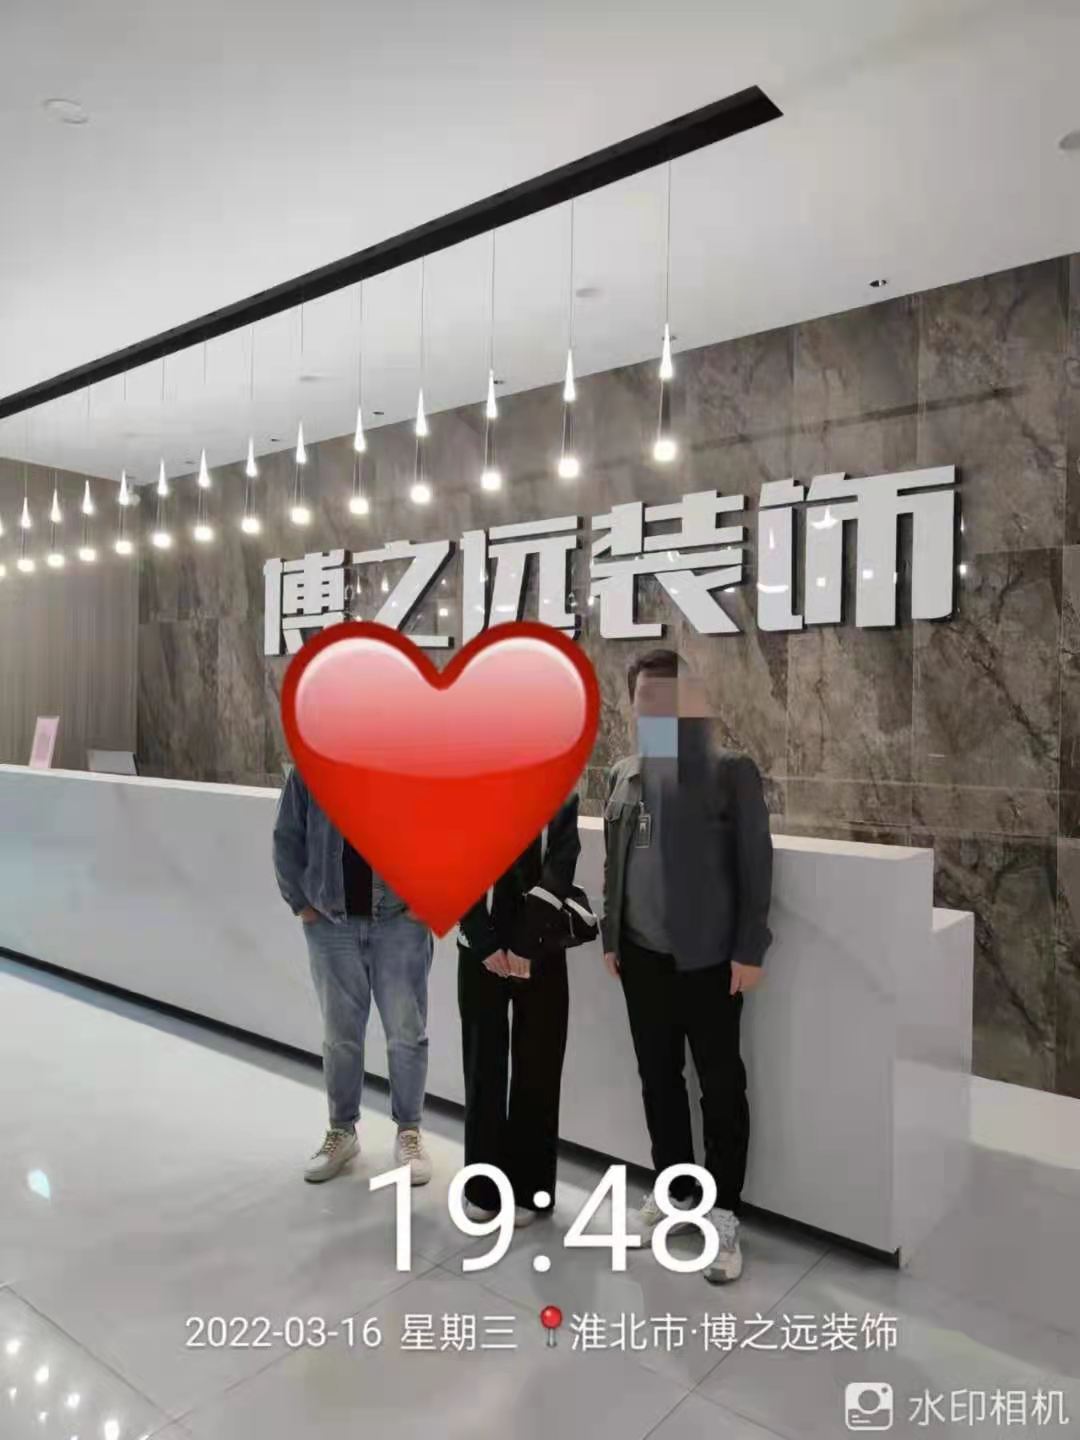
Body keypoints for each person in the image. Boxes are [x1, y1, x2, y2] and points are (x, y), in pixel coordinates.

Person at [601, 649, 773, 1283]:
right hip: (641, 958)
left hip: (709, 962)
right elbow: (614, 860)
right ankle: (675, 1194)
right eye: (644, 696)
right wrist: (611, 935)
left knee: (720, 1087)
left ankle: (723, 1214)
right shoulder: (624, 775)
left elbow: (756, 865)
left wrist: (750, 948)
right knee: (659, 1080)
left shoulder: (730, 773)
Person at [273, 766, 434, 1186]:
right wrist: (301, 904)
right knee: (340, 1035)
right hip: (332, 924)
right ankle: (342, 1131)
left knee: (406, 1032)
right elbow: (287, 835)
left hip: (400, 921)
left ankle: (409, 1132)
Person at [456, 793, 582, 1227]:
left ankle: (532, 1187)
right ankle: (483, 1188)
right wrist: (482, 939)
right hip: (480, 949)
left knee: (539, 1067)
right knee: (483, 1067)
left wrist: (526, 944)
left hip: (540, 949)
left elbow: (561, 863)